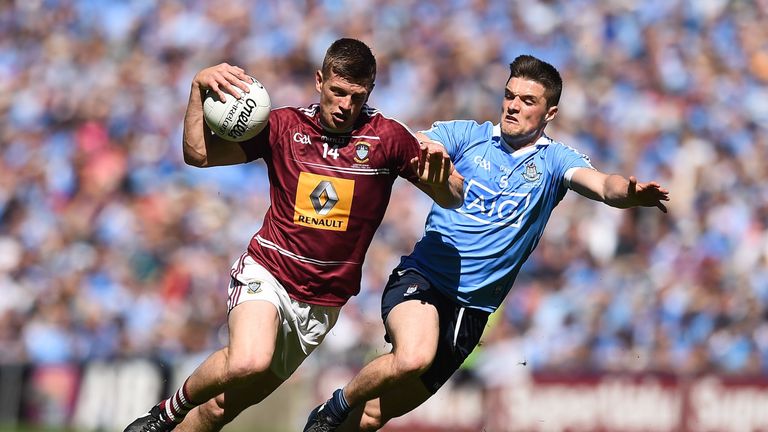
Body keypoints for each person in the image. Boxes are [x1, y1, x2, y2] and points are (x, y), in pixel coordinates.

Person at [304, 54, 670, 432]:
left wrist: (627, 191)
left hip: (473, 312)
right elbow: (417, 142)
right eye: (510, 95)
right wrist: (426, 149)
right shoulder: (468, 135)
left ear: (550, 113)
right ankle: (332, 408)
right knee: (413, 357)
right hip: (424, 279)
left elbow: (602, 185)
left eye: (528, 101)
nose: (513, 106)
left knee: (375, 415)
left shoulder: (556, 160)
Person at [123, 38, 463, 432]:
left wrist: (442, 186)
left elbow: (453, 195)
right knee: (249, 359)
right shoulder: (284, 126)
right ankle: (165, 415)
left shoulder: (388, 138)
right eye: (337, 92)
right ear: (319, 81)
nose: (345, 105)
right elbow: (198, 154)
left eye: (356, 96)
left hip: (320, 305)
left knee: (220, 409)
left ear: (369, 92)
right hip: (267, 273)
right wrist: (199, 89)